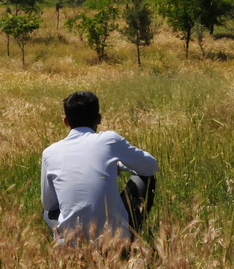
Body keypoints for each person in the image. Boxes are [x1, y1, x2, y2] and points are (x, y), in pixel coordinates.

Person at [41, 91, 158, 244]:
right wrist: (121, 165)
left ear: (66, 121)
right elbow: (150, 166)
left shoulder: (50, 153)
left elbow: (49, 204)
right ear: (98, 119)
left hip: (73, 244)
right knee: (145, 177)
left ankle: (66, 243)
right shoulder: (110, 140)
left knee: (47, 212)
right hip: (114, 240)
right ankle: (129, 238)